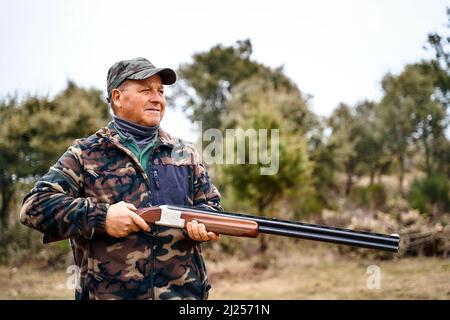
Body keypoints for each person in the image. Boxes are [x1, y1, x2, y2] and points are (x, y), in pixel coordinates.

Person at [20, 57, 223, 300]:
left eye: (160, 91)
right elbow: (34, 206)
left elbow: (212, 209)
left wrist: (202, 226)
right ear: (117, 97)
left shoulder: (185, 153)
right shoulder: (85, 153)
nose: (157, 98)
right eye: (146, 90)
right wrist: (102, 218)